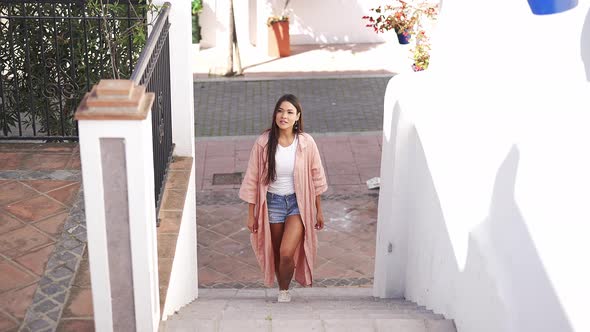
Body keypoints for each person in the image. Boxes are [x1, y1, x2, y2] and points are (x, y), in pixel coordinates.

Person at [239, 94, 328, 303]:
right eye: (280, 111)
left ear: (297, 117)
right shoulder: (263, 143)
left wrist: (319, 210)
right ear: (275, 114)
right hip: (273, 204)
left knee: (287, 251)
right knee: (278, 252)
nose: (284, 116)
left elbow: (316, 177)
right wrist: (251, 215)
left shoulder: (306, 143)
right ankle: (284, 289)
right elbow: (252, 179)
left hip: (298, 204)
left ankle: (287, 281)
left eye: (289, 112)